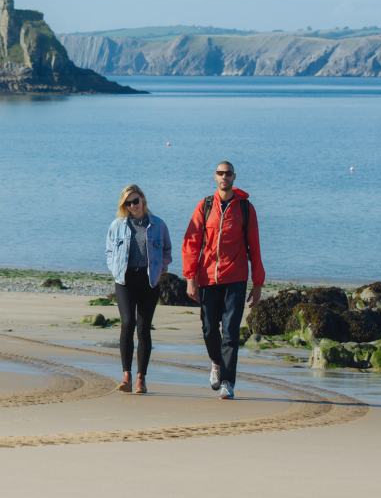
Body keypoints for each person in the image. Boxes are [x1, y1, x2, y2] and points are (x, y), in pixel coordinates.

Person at [181, 162, 265, 400]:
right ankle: (216, 363)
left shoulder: (246, 209)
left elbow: (255, 249)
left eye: (228, 173)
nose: (224, 176)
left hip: (236, 279)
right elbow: (191, 243)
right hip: (207, 277)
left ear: (234, 177)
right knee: (209, 330)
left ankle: (228, 381)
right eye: (220, 173)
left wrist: (257, 284)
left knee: (230, 332)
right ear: (215, 177)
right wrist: (190, 278)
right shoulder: (205, 206)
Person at [106, 184, 172, 394]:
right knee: (128, 323)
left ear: (143, 199)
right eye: (128, 202)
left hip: (149, 280)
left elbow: (167, 251)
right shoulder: (117, 225)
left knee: (144, 328)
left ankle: (141, 379)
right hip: (124, 279)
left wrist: (161, 268)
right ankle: (126, 375)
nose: (133, 205)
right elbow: (109, 251)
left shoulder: (158, 225)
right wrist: (115, 269)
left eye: (135, 200)